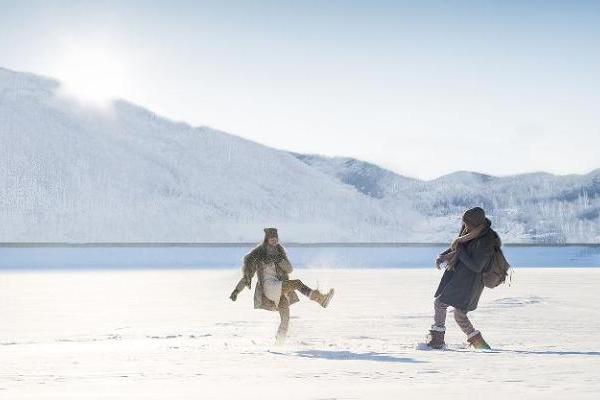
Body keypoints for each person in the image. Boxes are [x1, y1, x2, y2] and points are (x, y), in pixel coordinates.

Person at [229, 228, 334, 343]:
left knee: (285, 317)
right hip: (268, 287)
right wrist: (236, 291)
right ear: (267, 239)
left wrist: (279, 259)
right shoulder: (259, 254)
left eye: (276, 239)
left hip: (279, 286)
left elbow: (289, 269)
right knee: (297, 283)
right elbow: (247, 277)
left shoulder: (279, 252)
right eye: (272, 239)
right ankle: (321, 299)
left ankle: (279, 343)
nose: (274, 241)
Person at [427, 207, 500, 350]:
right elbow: (457, 246)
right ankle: (480, 345)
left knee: (441, 304)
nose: (465, 226)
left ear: (476, 223)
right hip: (458, 276)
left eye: (468, 223)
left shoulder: (487, 239)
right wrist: (443, 256)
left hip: (471, 282)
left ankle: (437, 341)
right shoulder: (468, 230)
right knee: (459, 314)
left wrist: (459, 253)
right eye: (464, 222)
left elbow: (477, 266)